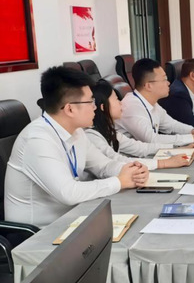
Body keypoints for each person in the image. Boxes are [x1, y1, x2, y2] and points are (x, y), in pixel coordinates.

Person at [4, 67, 148, 227]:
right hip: (40, 232)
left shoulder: (77, 131)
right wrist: (119, 181)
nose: (95, 107)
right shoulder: (37, 140)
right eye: (90, 102)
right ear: (70, 109)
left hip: (74, 217)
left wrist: (131, 171)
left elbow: (103, 165)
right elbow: (68, 193)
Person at [86, 80, 193, 168]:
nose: (121, 103)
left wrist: (176, 148)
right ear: (103, 107)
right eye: (116, 99)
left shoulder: (109, 130)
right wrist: (164, 163)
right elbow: (117, 160)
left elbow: (140, 148)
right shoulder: (92, 136)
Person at [116, 58, 194, 149]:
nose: (168, 83)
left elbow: (171, 124)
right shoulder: (132, 106)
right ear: (149, 86)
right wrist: (192, 138)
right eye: (164, 79)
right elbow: (151, 139)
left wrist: (192, 131)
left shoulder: (152, 103)